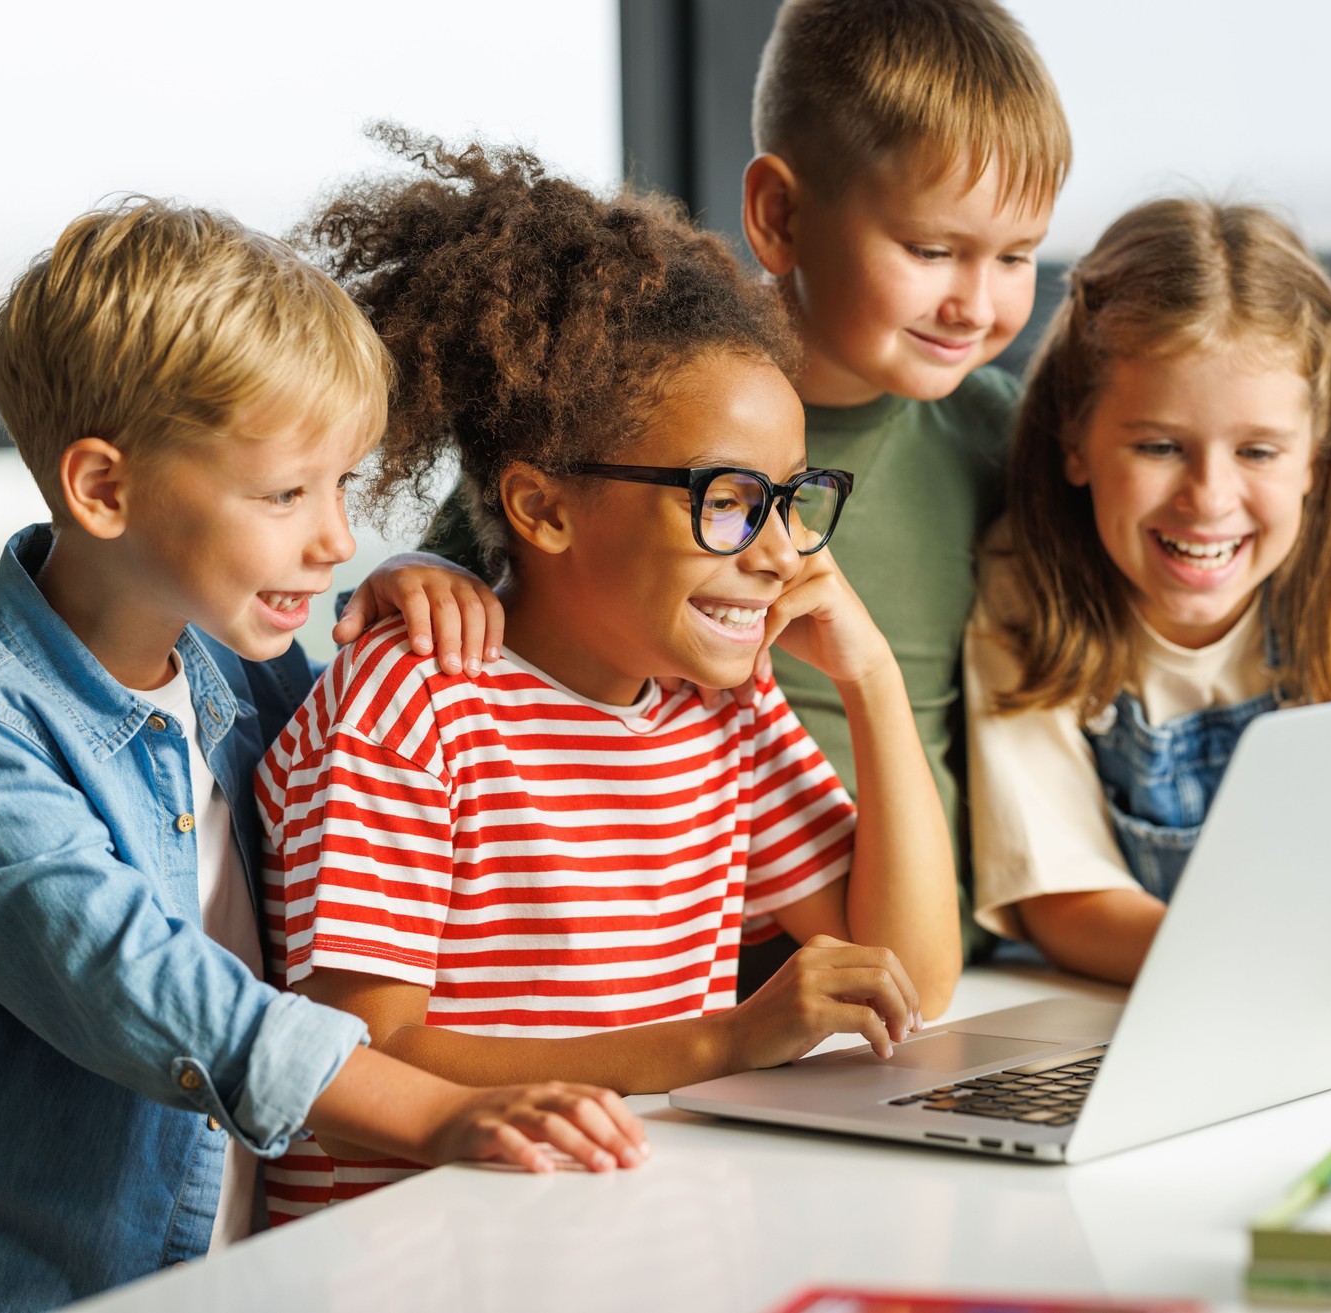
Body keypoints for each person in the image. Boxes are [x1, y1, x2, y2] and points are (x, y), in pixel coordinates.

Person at [421, 0, 1331, 971]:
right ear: (781, 216)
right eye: (932, 248)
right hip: (674, 961)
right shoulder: (641, 422)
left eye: (1015, 256)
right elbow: (499, 540)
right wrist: (422, 577)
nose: (976, 303)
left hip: (940, 972)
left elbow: (1191, 491)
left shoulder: (998, 438)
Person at [0, 199, 647, 1313]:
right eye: (283, 494)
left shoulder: (244, 677)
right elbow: (154, 989)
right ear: (104, 488)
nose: (335, 535)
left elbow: (351, 797)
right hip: (11, 1284)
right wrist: (435, 1111)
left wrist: (405, 583)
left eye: (342, 488)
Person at [258, 134, 962, 1221]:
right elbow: (364, 1057)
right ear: (544, 507)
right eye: (728, 499)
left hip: (623, 1218)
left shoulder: (717, 702)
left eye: (790, 497)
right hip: (407, 1248)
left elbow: (910, 982)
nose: (780, 551)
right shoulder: (413, 700)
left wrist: (867, 674)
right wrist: (720, 1040)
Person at [966, 199, 1331, 985]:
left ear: (1316, 455)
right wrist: (1244, 969)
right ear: (1077, 441)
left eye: (1259, 450)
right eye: (1160, 446)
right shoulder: (1025, 593)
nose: (1208, 497)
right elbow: (1063, 895)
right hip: (1165, 999)